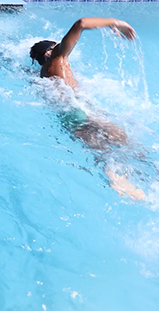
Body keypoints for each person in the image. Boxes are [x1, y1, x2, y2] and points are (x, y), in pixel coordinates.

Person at [30, 17, 145, 201]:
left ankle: (122, 174)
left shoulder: (44, 73)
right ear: (49, 52)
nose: (65, 47)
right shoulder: (57, 58)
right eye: (57, 46)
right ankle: (115, 176)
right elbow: (81, 23)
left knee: (117, 139)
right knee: (113, 144)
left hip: (72, 113)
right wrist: (115, 23)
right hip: (76, 112)